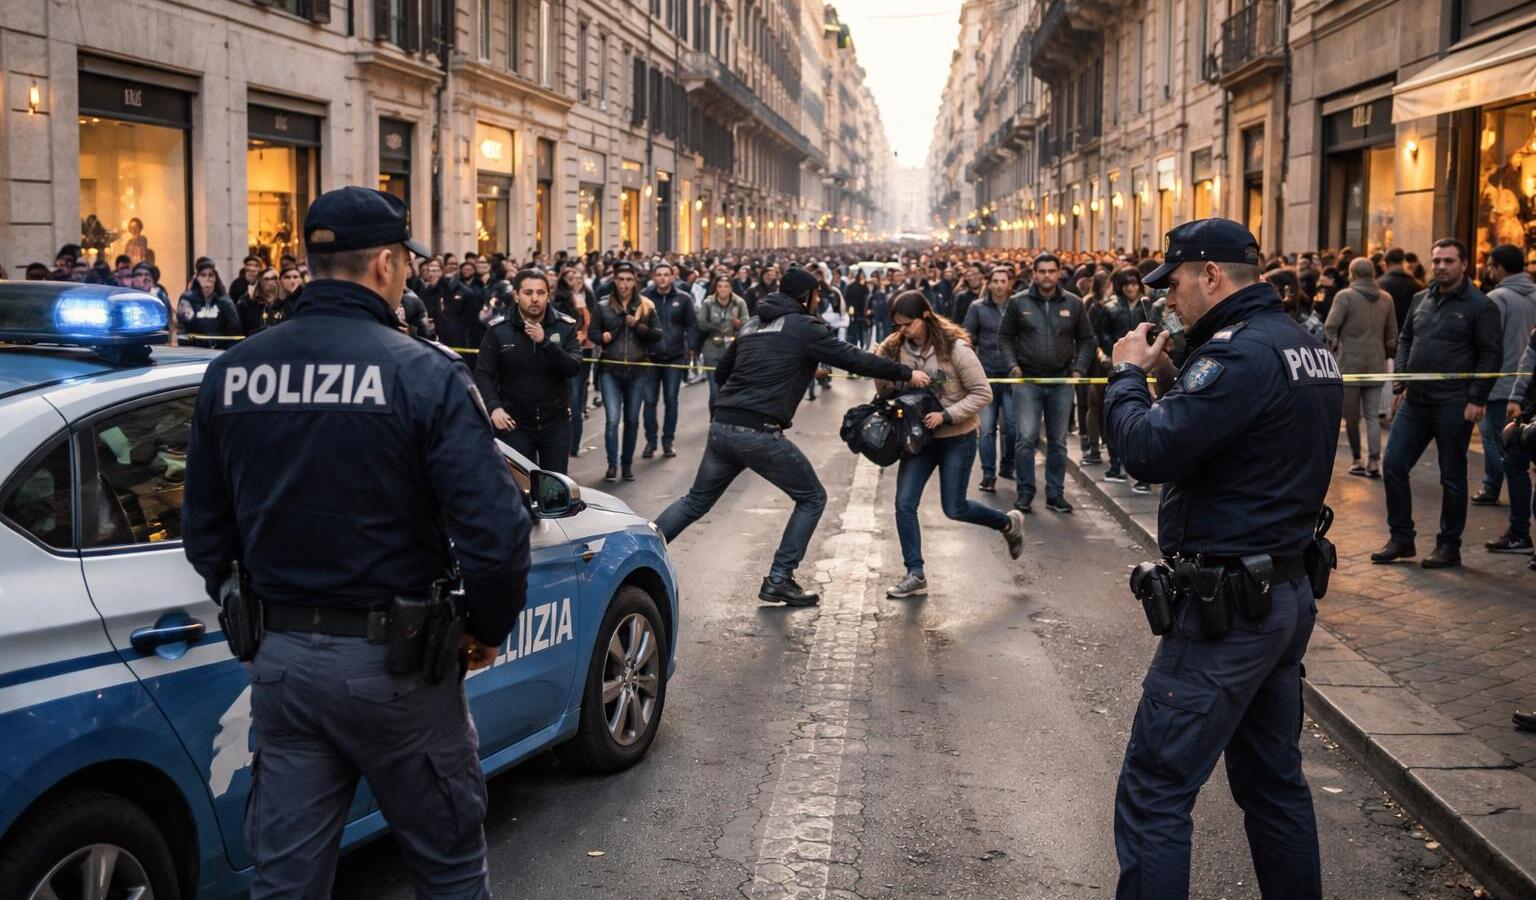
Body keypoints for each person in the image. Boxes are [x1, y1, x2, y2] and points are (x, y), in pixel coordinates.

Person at [183, 186, 530, 898]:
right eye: (405, 261)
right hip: (398, 671)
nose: (407, 274)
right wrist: (485, 630)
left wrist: (251, 622)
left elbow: (205, 535)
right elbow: (496, 534)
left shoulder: (233, 373)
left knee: (285, 881)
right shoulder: (422, 373)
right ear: (383, 266)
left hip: (282, 667)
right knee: (449, 869)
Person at [1104, 218, 1342, 900]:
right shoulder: (1300, 342)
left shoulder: (1238, 356)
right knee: (1274, 786)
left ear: (1210, 274)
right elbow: (1239, 437)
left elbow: (1147, 451)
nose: (1166, 300)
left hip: (1229, 612)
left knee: (1154, 791)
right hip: (1282, 593)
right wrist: (1176, 372)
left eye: (1174, 283)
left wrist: (1126, 376)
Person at [654, 265, 930, 606]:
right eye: (817, 295)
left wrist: (789, 366)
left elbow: (724, 372)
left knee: (695, 501)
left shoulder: (753, 324)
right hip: (758, 432)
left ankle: (642, 551)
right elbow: (855, 359)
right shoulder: (804, 325)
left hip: (722, 427)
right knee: (812, 498)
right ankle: (780, 579)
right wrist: (907, 374)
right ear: (808, 297)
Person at [876, 291, 1026, 598]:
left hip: (956, 438)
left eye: (907, 324)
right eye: (897, 325)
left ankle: (1007, 524)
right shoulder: (892, 347)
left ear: (925, 318)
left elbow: (982, 393)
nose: (901, 331)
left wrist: (946, 415)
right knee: (904, 503)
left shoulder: (955, 348)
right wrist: (889, 375)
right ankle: (914, 573)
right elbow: (884, 386)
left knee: (954, 508)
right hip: (918, 440)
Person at [1372, 238, 1504, 569]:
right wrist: (1402, 379)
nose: (1441, 266)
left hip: (1454, 404)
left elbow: (1491, 354)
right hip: (1416, 402)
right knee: (1394, 465)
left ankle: (1449, 545)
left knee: (1452, 476)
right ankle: (1401, 538)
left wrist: (1477, 397)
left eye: (1448, 260)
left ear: (1463, 264)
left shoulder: (1480, 305)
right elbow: (1405, 339)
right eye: (1437, 261)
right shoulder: (1420, 298)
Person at [999, 253, 1094, 514]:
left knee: (1058, 441)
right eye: (1041, 271)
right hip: (1028, 380)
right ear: (1034, 273)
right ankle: (1025, 492)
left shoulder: (1074, 304)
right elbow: (1005, 337)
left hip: (1062, 380)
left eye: (1051, 271)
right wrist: (1013, 366)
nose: (1046, 276)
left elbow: (1087, 339)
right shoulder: (1018, 303)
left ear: (1059, 272)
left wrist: (1079, 369)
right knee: (1026, 438)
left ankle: (1055, 494)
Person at [475, 268, 583, 474]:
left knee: (556, 490)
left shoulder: (564, 326)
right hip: (515, 424)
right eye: (528, 293)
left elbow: (573, 367)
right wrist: (494, 408)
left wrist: (545, 342)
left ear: (548, 294)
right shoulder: (499, 330)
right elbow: (483, 374)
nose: (535, 299)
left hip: (555, 422)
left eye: (541, 293)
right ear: (516, 295)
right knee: (521, 489)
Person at [1475, 243, 1536, 552]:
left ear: (1498, 267)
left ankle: (1518, 530)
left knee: (1507, 453)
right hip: (1527, 393)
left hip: (1506, 391)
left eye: (1489, 264)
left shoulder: (1496, 299)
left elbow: (1486, 346)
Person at [1324, 257, 1398, 478]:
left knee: (1352, 415)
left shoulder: (1345, 296)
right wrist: (1386, 352)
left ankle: (1357, 458)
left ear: (1352, 273)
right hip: (1376, 362)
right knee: (1372, 416)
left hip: (1349, 363)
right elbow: (1392, 332)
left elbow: (1330, 326)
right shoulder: (1386, 298)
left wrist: (1335, 345)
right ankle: (1374, 461)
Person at [593, 262, 659, 482]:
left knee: (631, 420)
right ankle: (612, 464)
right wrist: (602, 337)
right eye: (620, 279)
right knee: (612, 420)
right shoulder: (603, 305)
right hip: (610, 369)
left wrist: (637, 325)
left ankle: (626, 464)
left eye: (629, 280)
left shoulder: (646, 306)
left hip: (638, 369)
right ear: (614, 281)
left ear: (635, 282)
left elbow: (657, 334)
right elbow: (592, 332)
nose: (624, 284)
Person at [1096, 267, 1158, 483]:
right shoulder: (1111, 307)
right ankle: (1115, 463)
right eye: (1127, 284)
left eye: (1134, 283)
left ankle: (1142, 472)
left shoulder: (1146, 306)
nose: (1131, 288)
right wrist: (1112, 352)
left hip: (1145, 366)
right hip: (1118, 365)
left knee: (1144, 412)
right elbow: (1101, 333)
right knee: (1116, 411)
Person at [963, 266, 1018, 492]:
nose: (998, 285)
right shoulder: (977, 308)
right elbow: (968, 337)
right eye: (994, 281)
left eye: (1002, 281)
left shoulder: (1018, 307)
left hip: (1011, 376)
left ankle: (1007, 464)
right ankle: (988, 473)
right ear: (989, 283)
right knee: (986, 429)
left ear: (1009, 283)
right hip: (985, 377)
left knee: (1012, 427)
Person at [641, 261, 696, 459]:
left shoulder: (683, 298)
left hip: (674, 356)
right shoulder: (644, 297)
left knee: (671, 401)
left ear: (673, 276)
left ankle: (668, 441)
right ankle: (650, 441)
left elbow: (691, 326)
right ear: (653, 277)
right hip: (650, 358)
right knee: (649, 401)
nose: (663, 278)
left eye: (666, 274)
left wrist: (691, 350)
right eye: (659, 274)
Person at [554, 265, 597, 457]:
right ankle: (564, 442)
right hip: (562, 350)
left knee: (577, 397)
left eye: (577, 277)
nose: (574, 281)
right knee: (566, 398)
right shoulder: (559, 298)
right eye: (570, 277)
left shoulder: (586, 296)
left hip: (583, 349)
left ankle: (574, 444)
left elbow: (590, 321)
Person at [699, 272, 749, 407]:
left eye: (726, 286)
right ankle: (714, 420)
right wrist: (714, 327)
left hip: (733, 349)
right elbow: (700, 323)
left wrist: (737, 324)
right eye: (720, 286)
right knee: (715, 391)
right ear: (716, 288)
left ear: (731, 288)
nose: (723, 289)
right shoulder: (708, 302)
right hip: (713, 348)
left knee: (731, 389)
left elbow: (747, 324)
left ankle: (728, 421)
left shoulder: (739, 303)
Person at [178, 260, 241, 345]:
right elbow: (183, 327)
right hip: (194, 351)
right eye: (203, 275)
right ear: (197, 278)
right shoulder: (187, 300)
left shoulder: (225, 301)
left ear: (216, 278)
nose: (207, 279)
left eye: (211, 275)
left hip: (220, 351)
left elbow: (234, 329)